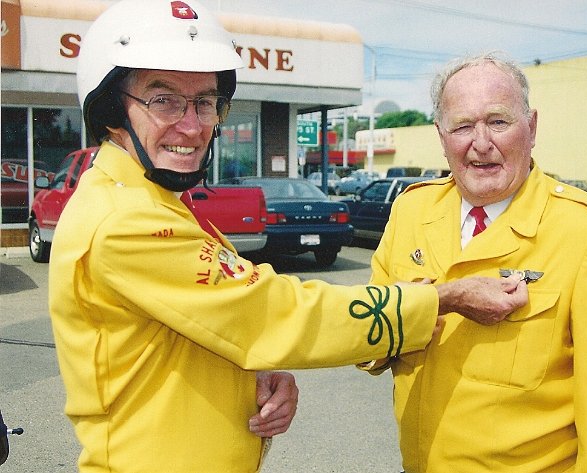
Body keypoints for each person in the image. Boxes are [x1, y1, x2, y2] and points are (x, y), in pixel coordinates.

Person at [48, 3, 530, 472]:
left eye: (206, 102)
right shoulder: (126, 222)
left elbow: (208, 323)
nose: (192, 125)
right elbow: (272, 313)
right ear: (112, 109)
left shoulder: (151, 201)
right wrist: (443, 299)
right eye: (164, 99)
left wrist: (247, 378)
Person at [365, 52, 587, 472]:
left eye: (498, 122)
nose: (481, 144)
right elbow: (369, 342)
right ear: (440, 135)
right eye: (462, 126)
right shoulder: (411, 210)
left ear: (532, 127)